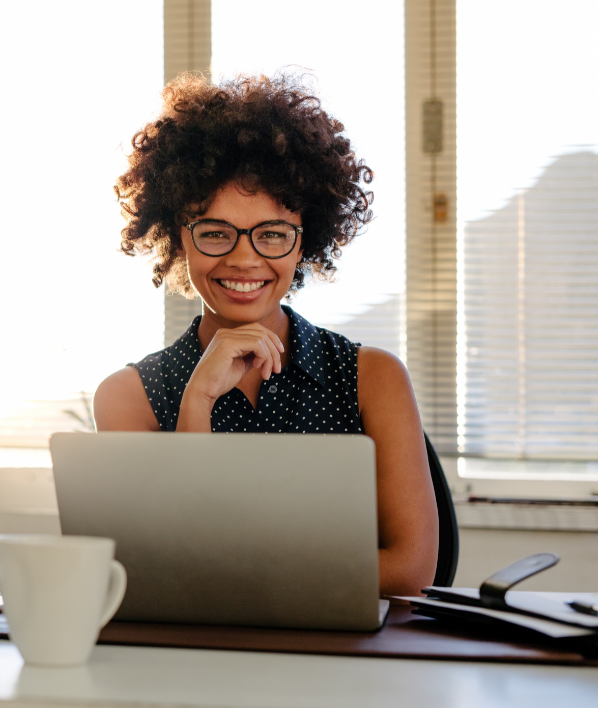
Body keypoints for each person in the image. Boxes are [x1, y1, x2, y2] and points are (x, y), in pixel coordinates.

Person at [94, 73, 438, 598]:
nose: (244, 258)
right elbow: (160, 563)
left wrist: (237, 573)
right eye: (214, 232)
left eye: (272, 234)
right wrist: (197, 403)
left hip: (346, 660)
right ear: (179, 239)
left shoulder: (374, 379)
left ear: (306, 242)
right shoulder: (128, 397)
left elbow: (411, 569)